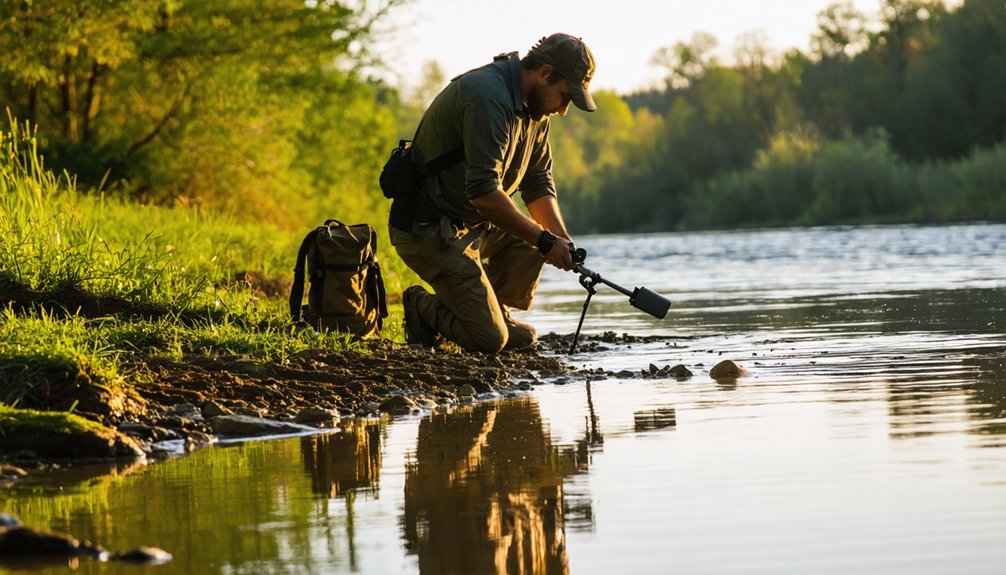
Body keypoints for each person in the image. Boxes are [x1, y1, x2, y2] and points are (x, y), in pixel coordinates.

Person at [390, 32, 596, 354]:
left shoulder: (536, 110)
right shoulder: (489, 97)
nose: (564, 109)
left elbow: (538, 182)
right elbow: (484, 193)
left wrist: (560, 239)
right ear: (544, 73)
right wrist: (543, 240)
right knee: (489, 340)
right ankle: (422, 307)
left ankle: (494, 310)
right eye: (565, 97)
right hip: (428, 229)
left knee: (537, 242)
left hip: (474, 224)